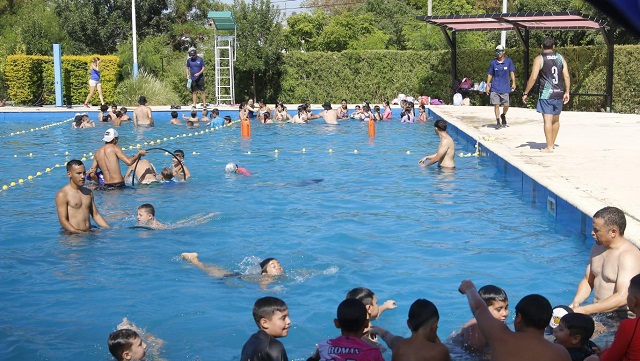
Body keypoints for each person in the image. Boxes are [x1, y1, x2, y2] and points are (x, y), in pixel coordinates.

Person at [459, 280, 571, 361]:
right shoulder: (561, 353)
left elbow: (479, 309)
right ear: (548, 322)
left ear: (519, 319)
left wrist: (469, 288)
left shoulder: (501, 337)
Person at [569, 206, 640, 315]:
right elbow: (588, 280)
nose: (592, 232)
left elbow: (623, 297)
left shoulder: (628, 256)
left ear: (613, 232)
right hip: (597, 312)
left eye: (596, 230)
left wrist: (585, 310)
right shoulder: (597, 248)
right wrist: (576, 302)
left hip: (619, 317)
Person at [522, 36, 571, 153]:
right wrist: (567, 92)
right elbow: (567, 75)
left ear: (541, 46)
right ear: (553, 46)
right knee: (556, 120)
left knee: (547, 120)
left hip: (546, 94)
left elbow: (533, 78)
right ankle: (552, 144)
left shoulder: (539, 59)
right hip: (559, 92)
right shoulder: (560, 57)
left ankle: (549, 147)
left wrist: (526, 92)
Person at [370, 299, 452, 361]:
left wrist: (377, 329)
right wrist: (436, 339)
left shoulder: (398, 345)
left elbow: (388, 337)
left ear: (408, 324)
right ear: (434, 327)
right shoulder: (440, 351)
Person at [308, 298, 385, 361]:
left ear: (336, 323)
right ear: (366, 323)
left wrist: (317, 353)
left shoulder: (324, 346)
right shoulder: (373, 353)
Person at [55, 159, 110, 233]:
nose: (83, 176)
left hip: (89, 232)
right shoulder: (63, 194)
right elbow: (63, 221)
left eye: (84, 173)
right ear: (69, 174)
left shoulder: (88, 192)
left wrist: (109, 229)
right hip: (73, 236)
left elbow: (95, 215)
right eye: (79, 173)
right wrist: (78, 232)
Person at [598, 273, 640, 360]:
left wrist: (605, 352)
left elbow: (610, 358)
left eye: (628, 293)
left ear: (634, 301)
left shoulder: (629, 326)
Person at [457, 284, 509, 351]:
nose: (505, 313)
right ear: (485, 310)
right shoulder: (483, 331)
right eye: (498, 309)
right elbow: (479, 353)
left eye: (506, 307)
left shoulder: (473, 322)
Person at [240, 296, 291, 361]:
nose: (289, 321)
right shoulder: (274, 346)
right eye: (283, 318)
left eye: (288, 316)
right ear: (265, 323)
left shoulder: (251, 341)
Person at [486, 44, 516, 129]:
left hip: (505, 87)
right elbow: (490, 74)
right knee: (496, 105)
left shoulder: (508, 61)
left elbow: (512, 72)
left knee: (506, 105)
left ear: (504, 52)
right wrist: (488, 85)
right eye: (497, 51)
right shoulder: (493, 63)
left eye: (500, 51)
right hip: (495, 87)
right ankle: (498, 121)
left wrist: (513, 82)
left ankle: (503, 115)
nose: (499, 53)